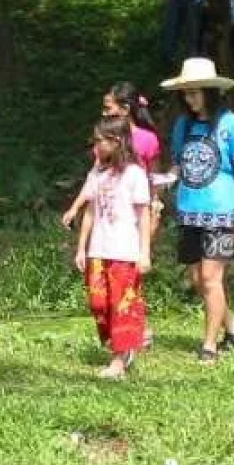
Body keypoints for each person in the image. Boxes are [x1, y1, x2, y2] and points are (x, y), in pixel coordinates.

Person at [163, 57, 234, 362]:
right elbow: (178, 164)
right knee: (197, 280)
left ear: (211, 92)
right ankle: (233, 328)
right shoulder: (183, 125)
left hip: (222, 214)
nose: (189, 99)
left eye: (195, 92)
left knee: (212, 278)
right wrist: (165, 180)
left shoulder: (232, 125)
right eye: (186, 93)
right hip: (188, 212)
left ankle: (209, 346)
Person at [73, 116, 152, 380]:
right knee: (98, 303)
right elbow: (91, 211)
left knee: (122, 304)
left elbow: (144, 215)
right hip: (98, 249)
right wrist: (81, 247)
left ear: (116, 142)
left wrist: (145, 252)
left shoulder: (135, 174)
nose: (95, 145)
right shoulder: (97, 173)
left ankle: (119, 359)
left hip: (125, 251)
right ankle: (121, 346)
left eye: (100, 140)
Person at [61, 82, 161, 229]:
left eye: (108, 108)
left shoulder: (148, 139)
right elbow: (94, 176)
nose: (104, 113)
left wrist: (154, 209)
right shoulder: (106, 140)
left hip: (138, 213)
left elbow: (154, 177)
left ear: (125, 109)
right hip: (110, 212)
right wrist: (75, 207)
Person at [161, 0, 209, 66]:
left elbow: (172, 25)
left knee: (193, 39)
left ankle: (174, 55)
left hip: (196, 6)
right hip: (199, 3)